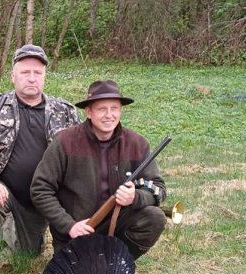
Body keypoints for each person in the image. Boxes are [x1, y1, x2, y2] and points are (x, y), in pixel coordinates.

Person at [0, 44, 79, 274]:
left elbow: (81, 156)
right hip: (6, 191)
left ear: (44, 76)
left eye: (37, 73)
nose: (31, 78)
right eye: (25, 72)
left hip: (47, 195)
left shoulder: (65, 111)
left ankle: (70, 260)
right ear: (13, 76)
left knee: (29, 252)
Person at [31, 80, 167, 259]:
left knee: (155, 217)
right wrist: (69, 225)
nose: (109, 115)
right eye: (102, 109)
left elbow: (158, 188)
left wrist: (135, 197)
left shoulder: (137, 143)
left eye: (114, 108)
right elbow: (40, 189)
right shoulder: (64, 142)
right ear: (88, 112)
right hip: (77, 231)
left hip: (118, 226)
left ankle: (117, 261)